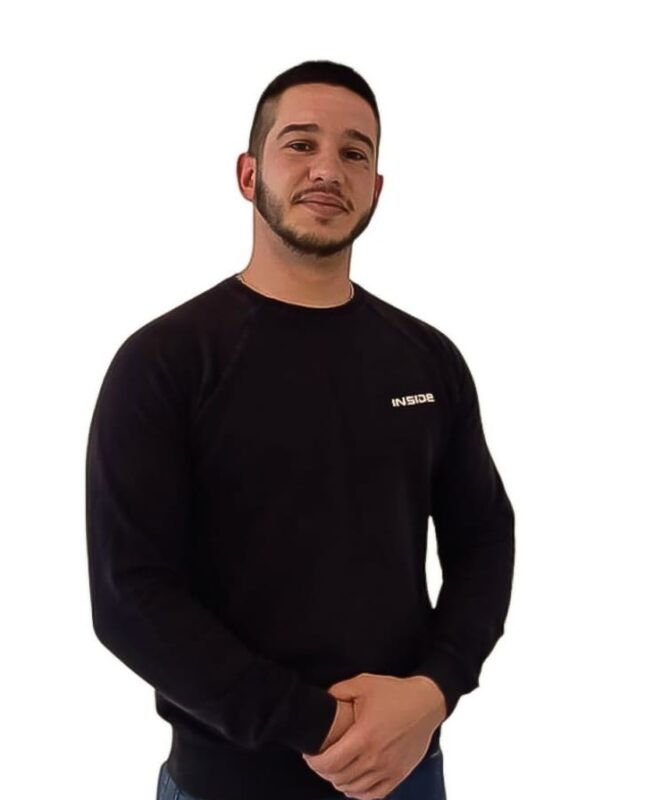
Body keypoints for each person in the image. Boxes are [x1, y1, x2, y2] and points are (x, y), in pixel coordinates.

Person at [85, 59, 515, 800]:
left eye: (354, 153)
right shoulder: (165, 362)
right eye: (301, 144)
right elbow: (131, 597)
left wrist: (434, 689)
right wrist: (317, 725)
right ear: (248, 174)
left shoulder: (427, 358)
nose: (328, 169)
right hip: (227, 782)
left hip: (405, 772)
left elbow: (484, 538)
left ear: (376, 189)